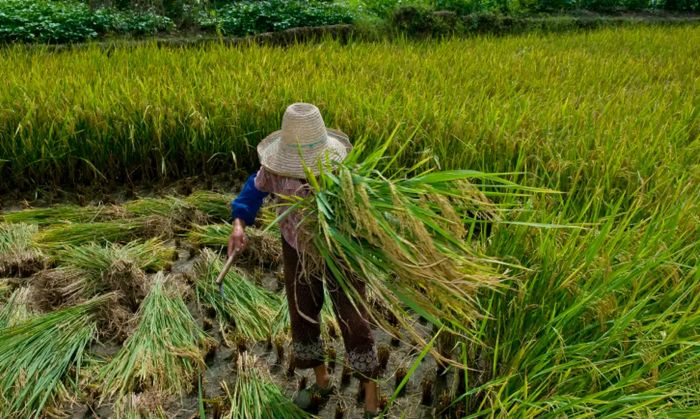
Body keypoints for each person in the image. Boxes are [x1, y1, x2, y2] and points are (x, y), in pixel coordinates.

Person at [228, 103, 380, 417]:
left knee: (353, 316)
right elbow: (252, 191)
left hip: (338, 249)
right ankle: (321, 380)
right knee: (303, 311)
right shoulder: (274, 171)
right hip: (296, 247)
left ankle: (371, 394)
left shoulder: (339, 171)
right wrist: (239, 224)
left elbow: (363, 209)